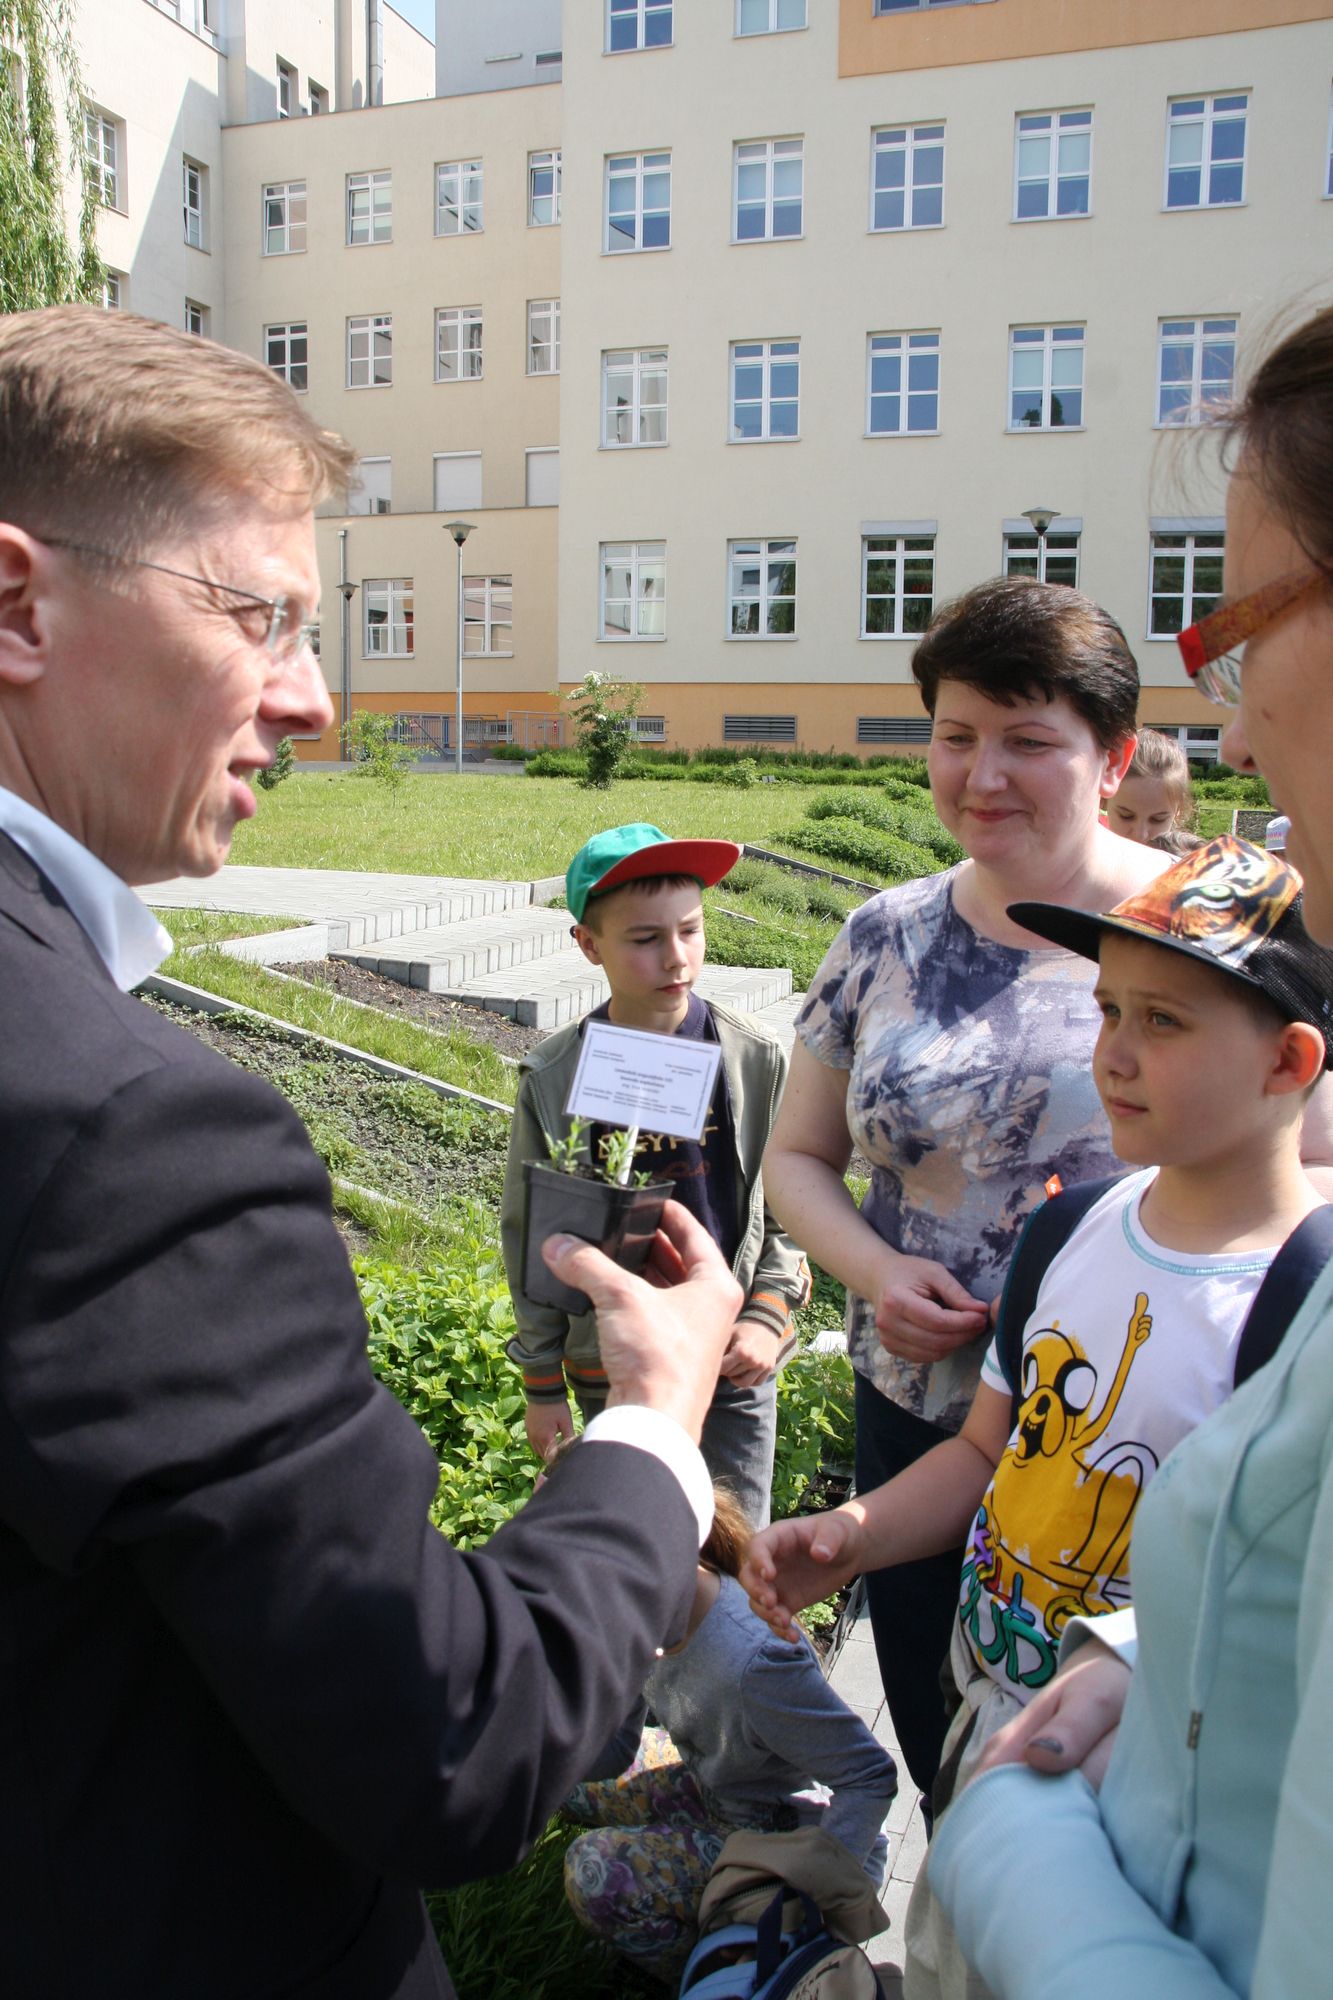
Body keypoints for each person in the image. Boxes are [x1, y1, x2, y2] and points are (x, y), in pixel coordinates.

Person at [0, 306, 745, 2000]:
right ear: (19, 607)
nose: (317, 701)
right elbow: (454, 1737)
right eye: (260, 615)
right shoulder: (128, 1132)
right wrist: (650, 1423)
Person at [920, 300, 1333, 1997]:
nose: (1226, 736)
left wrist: (1000, 1844)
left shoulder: (1291, 1277)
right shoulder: (1075, 1231)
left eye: (1234, 630)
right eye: (1110, 1013)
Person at [745, 834, 1333, 1997]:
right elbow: (986, 1450)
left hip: (1150, 1777)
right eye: (1107, 1008)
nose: (1112, 1051)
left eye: (1163, 1021)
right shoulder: (1070, 1230)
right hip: (985, 1713)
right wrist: (855, 1534)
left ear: (1289, 1059)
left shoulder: (1303, 1301)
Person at [761, 577, 1172, 1800]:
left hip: (1131, 1440)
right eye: (955, 735)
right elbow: (795, 1158)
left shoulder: (1197, 931)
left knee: (1105, 1784)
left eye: (1027, 740)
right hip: (916, 1412)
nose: (982, 774)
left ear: (1113, 757)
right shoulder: (883, 934)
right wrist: (877, 1269)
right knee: (941, 1741)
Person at [502, 824, 810, 1529]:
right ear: (588, 944)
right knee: (641, 1535)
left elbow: (791, 1200)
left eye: (690, 930)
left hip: (732, 1356)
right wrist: (542, 1380)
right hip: (615, 1365)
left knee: (736, 1547)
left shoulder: (754, 1057)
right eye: (644, 939)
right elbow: (533, 1233)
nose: (676, 957)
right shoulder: (554, 1078)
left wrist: (767, 1312)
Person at [561, 1478, 896, 1984]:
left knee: (594, 1870)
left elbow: (870, 1776)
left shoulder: (755, 1663)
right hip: (718, 1790)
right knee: (566, 1778)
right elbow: (616, 1746)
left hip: (784, 1840)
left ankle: (726, 1977)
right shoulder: (645, 1614)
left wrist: (809, 1895)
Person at [1103, 727, 1195, 844]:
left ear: (1178, 811)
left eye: (1157, 820)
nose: (1140, 835)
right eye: (1126, 816)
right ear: (1103, 800)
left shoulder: (1189, 855)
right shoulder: (1084, 849)